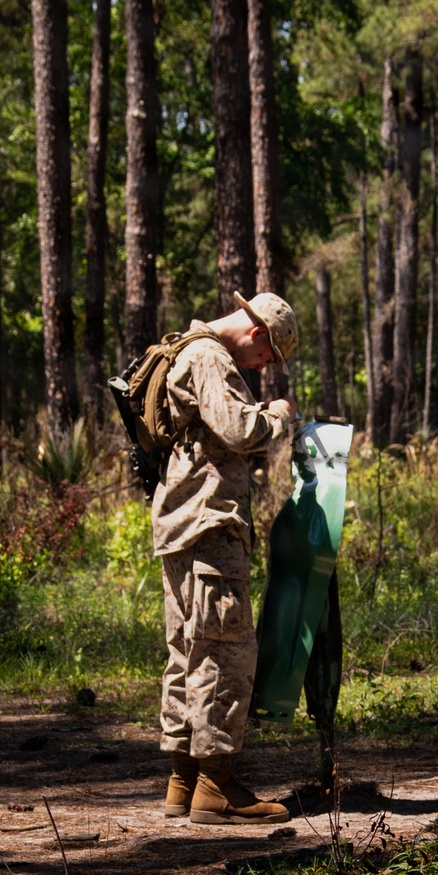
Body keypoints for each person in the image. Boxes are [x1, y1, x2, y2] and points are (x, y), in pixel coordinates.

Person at [153, 290, 299, 824]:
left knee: (186, 649)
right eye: (268, 357)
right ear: (259, 334)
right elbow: (239, 431)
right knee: (224, 649)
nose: (262, 367)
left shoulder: (186, 348)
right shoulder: (211, 357)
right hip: (209, 524)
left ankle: (182, 781)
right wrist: (278, 416)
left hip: (182, 523)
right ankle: (215, 787)